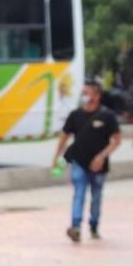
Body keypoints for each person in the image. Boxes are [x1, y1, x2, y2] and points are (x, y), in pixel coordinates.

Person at [52, 80, 122, 242]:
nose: (83, 96)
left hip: (99, 165)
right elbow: (64, 137)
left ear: (96, 96)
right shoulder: (75, 115)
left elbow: (117, 140)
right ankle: (75, 226)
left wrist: (102, 156)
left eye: (87, 93)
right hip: (79, 162)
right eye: (82, 93)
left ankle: (94, 224)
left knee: (96, 196)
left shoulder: (107, 116)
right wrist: (56, 158)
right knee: (79, 192)